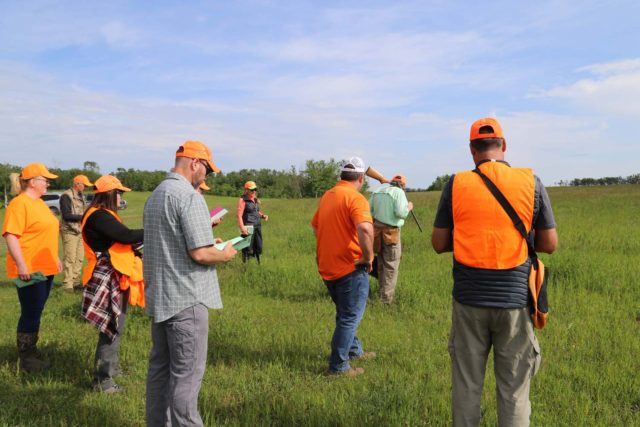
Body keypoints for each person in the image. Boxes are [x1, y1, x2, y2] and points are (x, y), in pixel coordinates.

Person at [431, 118, 558, 426]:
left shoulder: (456, 183)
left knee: (467, 386)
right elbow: (550, 244)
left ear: (472, 150)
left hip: (468, 301)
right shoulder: (532, 182)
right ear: (503, 146)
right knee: (514, 389)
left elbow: (438, 243)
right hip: (515, 302)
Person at [144, 140, 237, 426]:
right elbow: (199, 253)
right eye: (207, 168)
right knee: (186, 377)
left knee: (160, 371)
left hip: (162, 299)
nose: (206, 175)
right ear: (195, 163)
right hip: (187, 300)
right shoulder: (189, 196)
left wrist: (210, 242)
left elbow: (173, 241)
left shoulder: (157, 194)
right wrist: (224, 254)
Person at [311, 156, 375, 377]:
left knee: (345, 312)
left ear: (342, 175)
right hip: (350, 267)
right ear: (361, 178)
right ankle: (338, 367)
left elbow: (316, 227)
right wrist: (368, 257)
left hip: (328, 266)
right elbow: (366, 229)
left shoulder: (328, 195)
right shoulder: (355, 198)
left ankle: (354, 350)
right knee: (349, 317)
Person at [80, 175, 144, 393]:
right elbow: (125, 236)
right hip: (107, 276)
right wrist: (155, 231)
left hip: (114, 274)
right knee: (111, 327)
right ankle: (103, 381)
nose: (121, 197)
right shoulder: (98, 216)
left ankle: (111, 369)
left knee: (116, 326)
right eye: (119, 193)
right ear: (110, 194)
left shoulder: (103, 214)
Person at [2, 163, 61, 373]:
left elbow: (44, 232)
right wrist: (21, 264)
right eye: (45, 180)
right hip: (31, 268)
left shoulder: (39, 203)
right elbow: (11, 235)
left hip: (45, 267)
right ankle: (27, 357)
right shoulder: (20, 204)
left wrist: (54, 257)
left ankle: (31, 349)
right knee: (31, 311)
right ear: (33, 182)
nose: (47, 183)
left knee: (37, 309)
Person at [369, 175, 414, 304]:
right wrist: (409, 207)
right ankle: (386, 301)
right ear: (403, 186)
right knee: (391, 267)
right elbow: (401, 213)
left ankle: (381, 294)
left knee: (381, 265)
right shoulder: (399, 192)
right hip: (391, 233)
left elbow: (369, 211)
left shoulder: (377, 191)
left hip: (376, 233)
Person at [60, 174, 94, 292]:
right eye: (84, 185)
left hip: (79, 231)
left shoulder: (80, 195)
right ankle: (68, 285)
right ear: (77, 184)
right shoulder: (66, 196)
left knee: (79, 258)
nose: (85, 187)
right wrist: (84, 217)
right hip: (69, 231)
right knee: (70, 258)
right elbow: (66, 215)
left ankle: (76, 282)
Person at [237, 181, 268, 263]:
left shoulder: (255, 199)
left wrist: (262, 216)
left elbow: (256, 211)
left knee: (258, 245)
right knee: (247, 247)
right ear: (246, 190)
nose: (254, 191)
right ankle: (245, 265)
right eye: (252, 189)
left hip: (257, 226)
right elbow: (239, 215)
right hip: (248, 227)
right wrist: (242, 227)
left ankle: (259, 263)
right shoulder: (242, 200)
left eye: (255, 189)